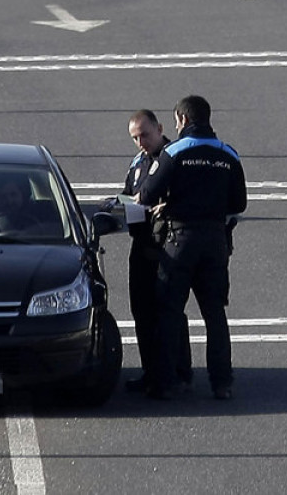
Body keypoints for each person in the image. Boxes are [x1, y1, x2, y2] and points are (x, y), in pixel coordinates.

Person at [138, 96, 247, 400]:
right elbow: (239, 203)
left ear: (183, 120)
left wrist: (169, 204)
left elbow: (147, 193)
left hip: (180, 239)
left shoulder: (174, 152)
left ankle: (170, 381)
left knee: (170, 310)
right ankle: (222, 383)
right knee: (215, 314)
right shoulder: (228, 154)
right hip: (215, 241)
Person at [120, 110, 192, 394]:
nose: (141, 142)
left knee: (169, 313)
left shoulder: (173, 160)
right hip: (142, 245)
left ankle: (179, 373)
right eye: (135, 138)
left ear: (160, 128)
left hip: (168, 247)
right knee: (142, 311)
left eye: (145, 135)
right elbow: (129, 193)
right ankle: (152, 372)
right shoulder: (138, 163)